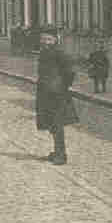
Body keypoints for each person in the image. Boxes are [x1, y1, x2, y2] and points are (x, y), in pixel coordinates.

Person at [36, 26, 78, 165]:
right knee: (51, 123)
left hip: (57, 93)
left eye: (49, 39)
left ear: (55, 39)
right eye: (43, 39)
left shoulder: (59, 53)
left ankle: (61, 155)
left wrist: (63, 86)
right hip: (45, 92)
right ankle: (56, 151)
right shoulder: (44, 52)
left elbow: (70, 72)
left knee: (57, 123)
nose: (46, 42)